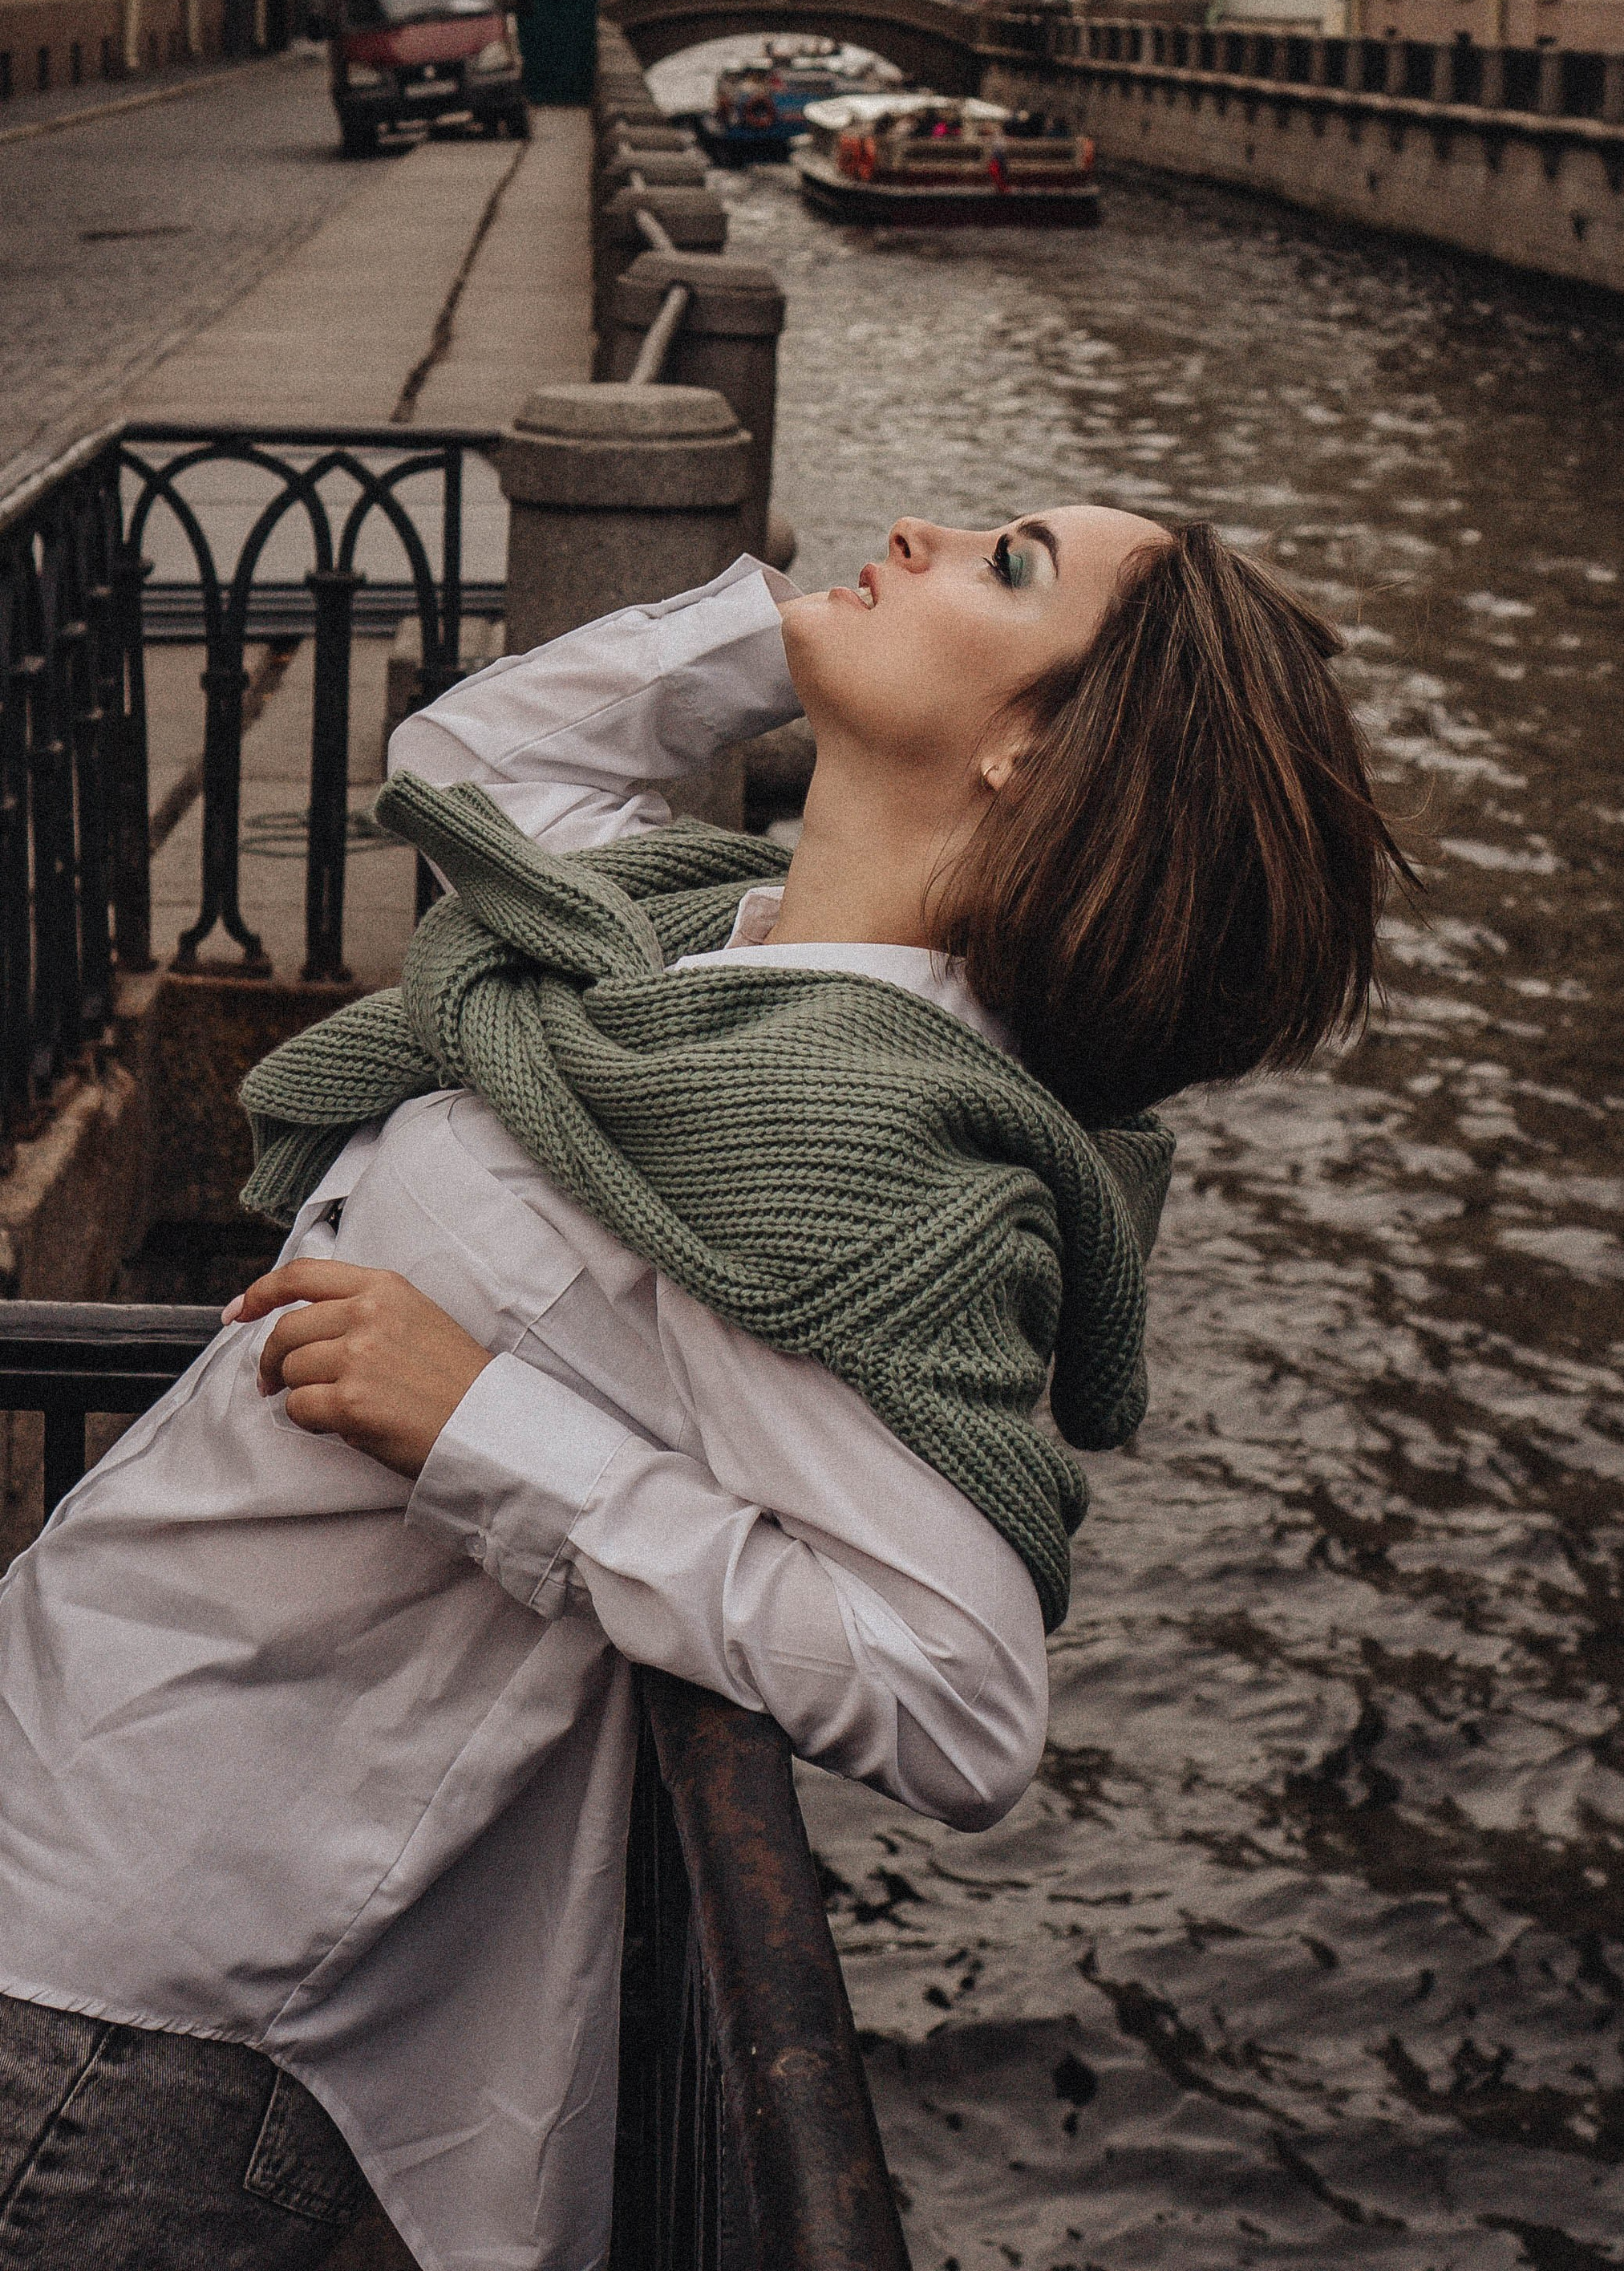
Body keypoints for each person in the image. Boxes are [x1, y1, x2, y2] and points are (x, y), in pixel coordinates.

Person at [0, 512, 1404, 2271]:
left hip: (135, 1978)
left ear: (1030, 752)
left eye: (1009, 562)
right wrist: (776, 625)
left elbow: (958, 1696)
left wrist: (487, 1432)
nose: (926, 527)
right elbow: (474, 761)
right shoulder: (682, 954)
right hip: (75, 1788)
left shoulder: (840, 1146)